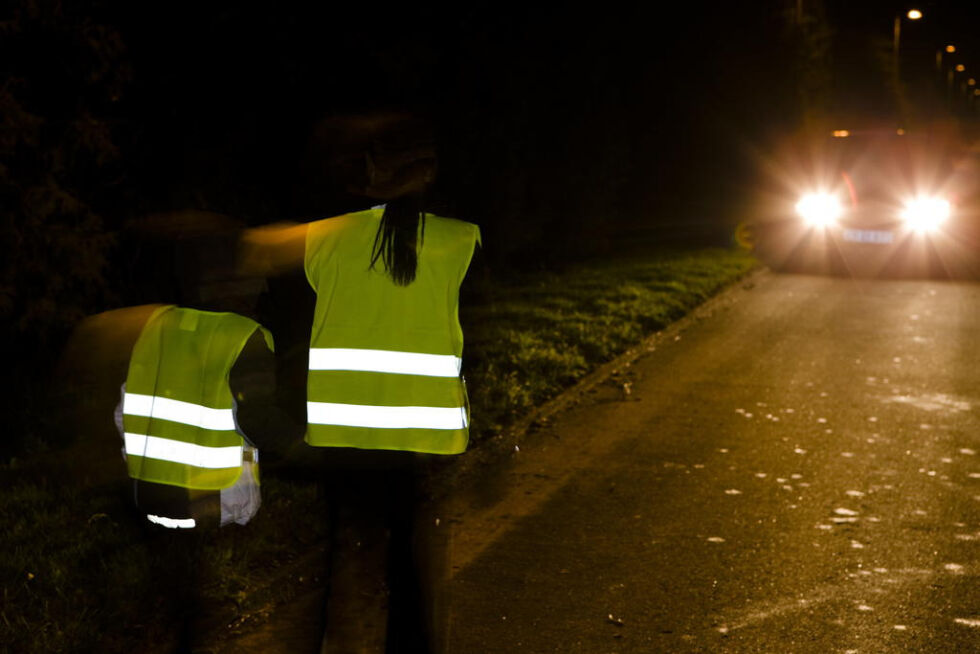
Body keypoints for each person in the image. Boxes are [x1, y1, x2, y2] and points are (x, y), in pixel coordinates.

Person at [243, 111, 481, 654]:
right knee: (407, 565)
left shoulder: (327, 238)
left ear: (372, 172)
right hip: (418, 438)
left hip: (343, 437)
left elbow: (260, 252)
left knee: (338, 562)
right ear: (428, 173)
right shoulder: (459, 240)